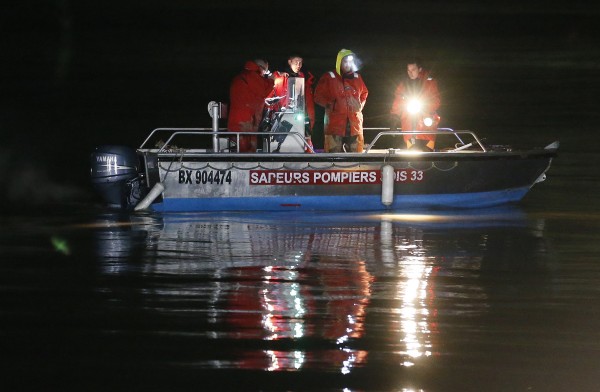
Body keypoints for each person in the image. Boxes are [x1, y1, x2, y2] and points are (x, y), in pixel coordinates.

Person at [314, 49, 368, 153]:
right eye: (345, 61)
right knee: (333, 160)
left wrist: (360, 105)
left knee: (356, 160)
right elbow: (318, 96)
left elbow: (365, 94)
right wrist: (331, 104)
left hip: (355, 125)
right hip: (334, 126)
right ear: (339, 62)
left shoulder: (357, 77)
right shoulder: (329, 77)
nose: (348, 64)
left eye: (350, 61)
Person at [390, 57, 441, 151]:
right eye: (408, 70)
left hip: (426, 122)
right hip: (409, 124)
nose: (410, 73)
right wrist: (394, 117)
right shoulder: (404, 84)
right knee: (412, 154)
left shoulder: (430, 82)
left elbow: (436, 100)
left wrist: (425, 107)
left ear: (420, 69)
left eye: (413, 70)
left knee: (427, 153)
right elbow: (398, 100)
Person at [227, 59, 275, 152]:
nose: (264, 74)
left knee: (248, 149)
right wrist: (271, 80)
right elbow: (263, 90)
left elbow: (253, 95)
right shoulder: (251, 75)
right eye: (265, 71)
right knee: (245, 150)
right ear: (262, 67)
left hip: (244, 119)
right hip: (243, 121)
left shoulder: (246, 75)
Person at [271, 54, 316, 150]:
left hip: (301, 116)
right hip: (283, 116)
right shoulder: (279, 76)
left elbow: (308, 102)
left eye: (300, 63)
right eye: (296, 62)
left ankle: (307, 160)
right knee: (282, 144)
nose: (299, 65)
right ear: (289, 62)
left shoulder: (305, 78)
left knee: (305, 142)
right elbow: (270, 91)